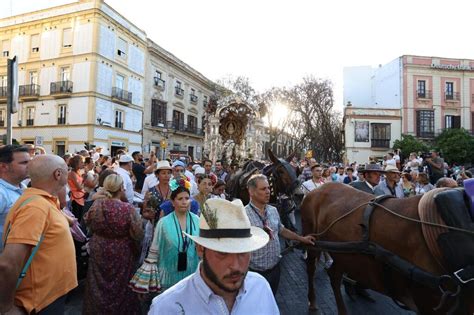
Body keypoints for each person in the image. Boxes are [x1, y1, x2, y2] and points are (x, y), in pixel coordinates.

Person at [148, 198, 279, 314]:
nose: (235, 266)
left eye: (243, 252)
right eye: (222, 253)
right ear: (200, 249)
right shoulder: (166, 308)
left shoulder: (260, 287)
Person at [0, 155, 77, 314]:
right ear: (57, 174)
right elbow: (8, 263)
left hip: (48, 296)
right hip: (39, 302)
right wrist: (6, 307)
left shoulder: (41, 201)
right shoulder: (36, 207)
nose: (68, 173)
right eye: (66, 170)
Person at [83, 174, 143, 314]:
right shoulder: (128, 209)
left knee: (98, 284)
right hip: (121, 250)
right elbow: (137, 233)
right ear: (121, 188)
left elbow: (87, 222)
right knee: (120, 285)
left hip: (99, 248)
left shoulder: (97, 205)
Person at [245, 174, 314, 294]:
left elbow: (281, 230)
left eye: (268, 188)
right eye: (263, 189)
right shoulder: (243, 216)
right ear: (251, 191)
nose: (268, 192)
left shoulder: (273, 210)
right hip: (255, 273)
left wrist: (301, 239)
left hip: (276, 269)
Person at [130, 178, 200, 293]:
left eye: (187, 198)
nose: (184, 202)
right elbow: (155, 248)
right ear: (172, 202)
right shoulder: (164, 223)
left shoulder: (196, 221)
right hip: (168, 273)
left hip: (191, 273)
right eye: (180, 199)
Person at [0, 145, 30, 252]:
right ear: (4, 167)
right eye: (24, 163)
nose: (30, 166)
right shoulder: (1, 193)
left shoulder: (22, 186)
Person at [68, 155, 87, 220]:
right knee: (77, 218)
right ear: (76, 163)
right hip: (75, 199)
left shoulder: (78, 172)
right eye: (81, 162)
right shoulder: (72, 174)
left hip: (80, 198)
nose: (83, 164)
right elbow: (79, 187)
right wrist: (84, 179)